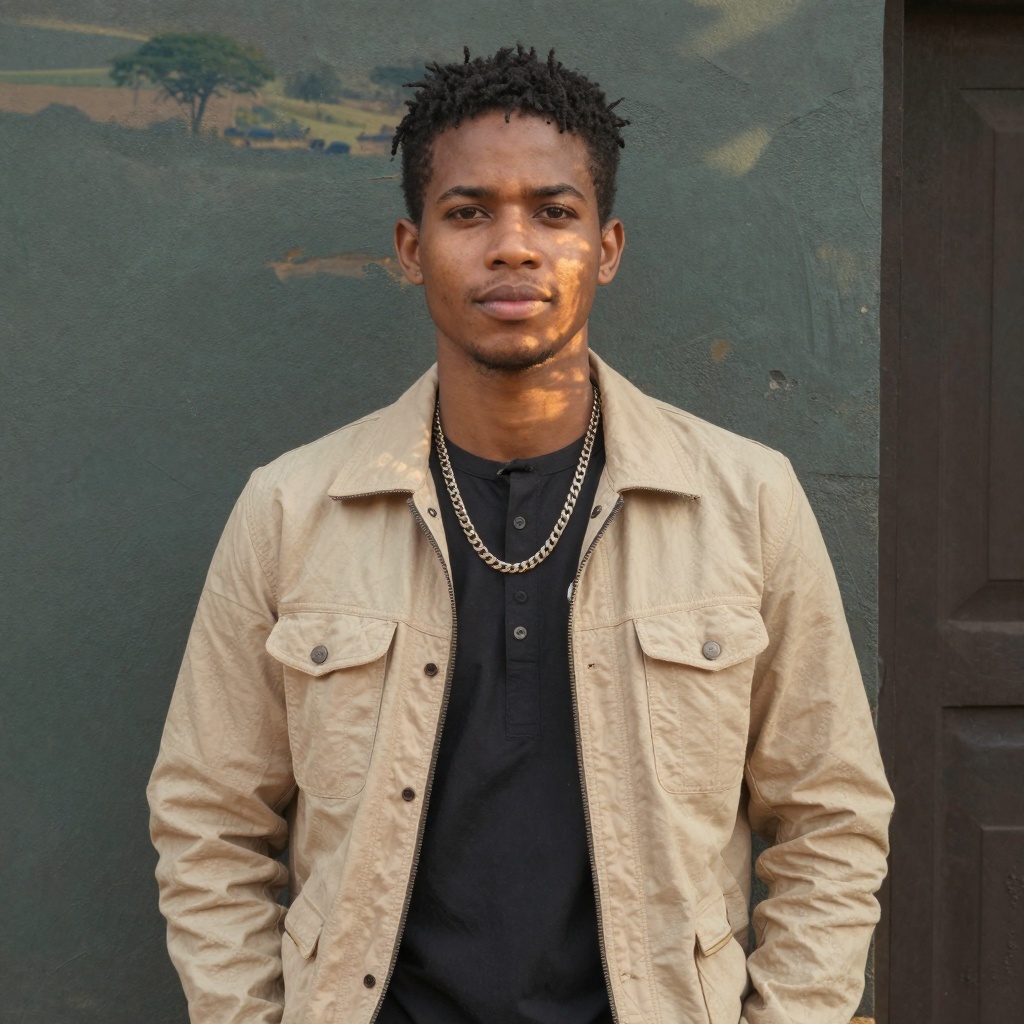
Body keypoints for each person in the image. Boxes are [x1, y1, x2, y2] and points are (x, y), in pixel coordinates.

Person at [148, 45, 894, 1024]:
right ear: (411, 249)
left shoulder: (746, 502)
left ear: (609, 247)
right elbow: (207, 816)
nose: (513, 246)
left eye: (553, 212)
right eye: (468, 213)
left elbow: (831, 817)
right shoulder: (293, 510)